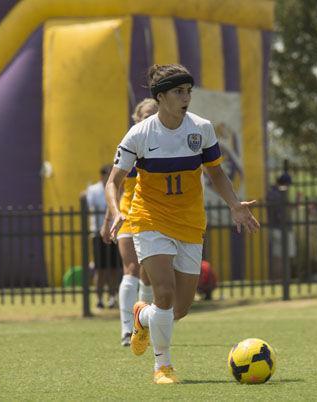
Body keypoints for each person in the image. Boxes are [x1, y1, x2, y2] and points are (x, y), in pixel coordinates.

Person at [104, 63, 259, 384]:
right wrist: (115, 211)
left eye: (188, 91)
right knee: (163, 291)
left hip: (189, 223)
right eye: (179, 92)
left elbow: (216, 172)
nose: (186, 97)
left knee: (179, 309)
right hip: (150, 219)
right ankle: (163, 366)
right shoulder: (140, 134)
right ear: (160, 98)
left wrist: (235, 205)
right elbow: (113, 181)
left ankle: (141, 316)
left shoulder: (201, 128)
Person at [100, 98, 158, 347]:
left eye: (154, 113)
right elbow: (115, 184)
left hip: (153, 217)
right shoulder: (131, 143)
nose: (150, 118)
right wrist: (108, 220)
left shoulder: (165, 144)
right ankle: (126, 330)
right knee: (131, 269)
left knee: (148, 276)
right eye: (145, 114)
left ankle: (141, 323)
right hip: (127, 215)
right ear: (137, 118)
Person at [85, 165, 120, 309]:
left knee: (113, 268)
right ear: (102, 176)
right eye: (107, 174)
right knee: (100, 269)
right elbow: (88, 205)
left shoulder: (117, 188)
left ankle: (112, 298)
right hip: (98, 234)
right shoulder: (93, 190)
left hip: (114, 233)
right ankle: (99, 298)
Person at [266, 173, 295, 281]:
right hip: (282, 229)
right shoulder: (280, 195)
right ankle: (284, 281)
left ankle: (277, 280)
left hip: (273, 228)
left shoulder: (271, 193)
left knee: (277, 257)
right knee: (285, 257)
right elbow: (282, 215)